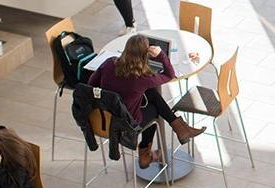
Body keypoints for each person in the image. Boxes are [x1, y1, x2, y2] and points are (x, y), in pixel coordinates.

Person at [87, 34, 205, 169]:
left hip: (102, 118)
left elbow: (91, 84)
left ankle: (181, 129)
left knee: (152, 94)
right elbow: (169, 75)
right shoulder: (143, 78)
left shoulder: (109, 63)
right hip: (126, 124)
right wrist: (161, 54)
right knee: (156, 110)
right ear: (145, 55)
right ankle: (146, 154)